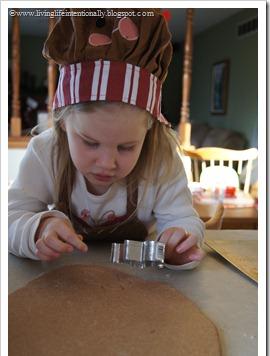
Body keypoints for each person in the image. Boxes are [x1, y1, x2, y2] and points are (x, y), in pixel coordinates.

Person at [8, 8, 205, 266]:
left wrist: (181, 239)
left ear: (148, 130)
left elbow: (184, 219)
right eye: (90, 143)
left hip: (138, 285)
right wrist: (38, 228)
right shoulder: (46, 152)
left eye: (126, 147)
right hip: (64, 280)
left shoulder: (161, 157)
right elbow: (10, 217)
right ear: (63, 121)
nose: (106, 163)